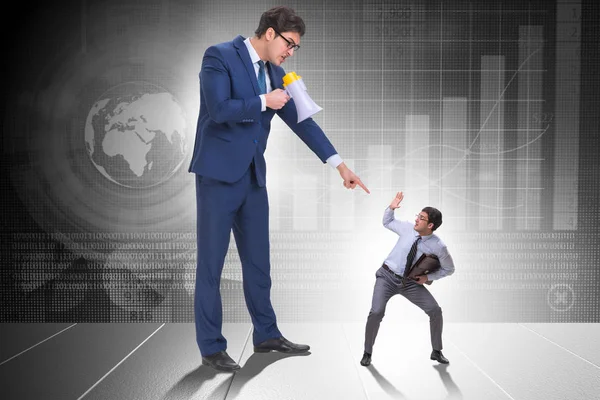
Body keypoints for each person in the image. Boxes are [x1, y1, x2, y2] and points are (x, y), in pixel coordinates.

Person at [188, 6, 369, 372]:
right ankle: (211, 347)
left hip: (253, 178)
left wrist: (340, 165)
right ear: (270, 33)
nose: (291, 51)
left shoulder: (277, 74)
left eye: (295, 47)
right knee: (211, 265)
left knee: (259, 263)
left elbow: (304, 122)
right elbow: (219, 109)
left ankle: (266, 334)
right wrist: (262, 102)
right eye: (290, 43)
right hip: (218, 177)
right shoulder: (219, 55)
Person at [360, 192, 455, 367]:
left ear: (431, 225)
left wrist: (428, 277)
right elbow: (387, 222)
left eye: (421, 218)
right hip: (387, 277)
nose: (417, 219)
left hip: (410, 283)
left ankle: (436, 351)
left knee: (435, 310)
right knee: (376, 312)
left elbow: (449, 269)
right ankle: (367, 352)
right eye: (417, 216)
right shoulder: (407, 228)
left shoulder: (439, 246)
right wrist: (391, 207)